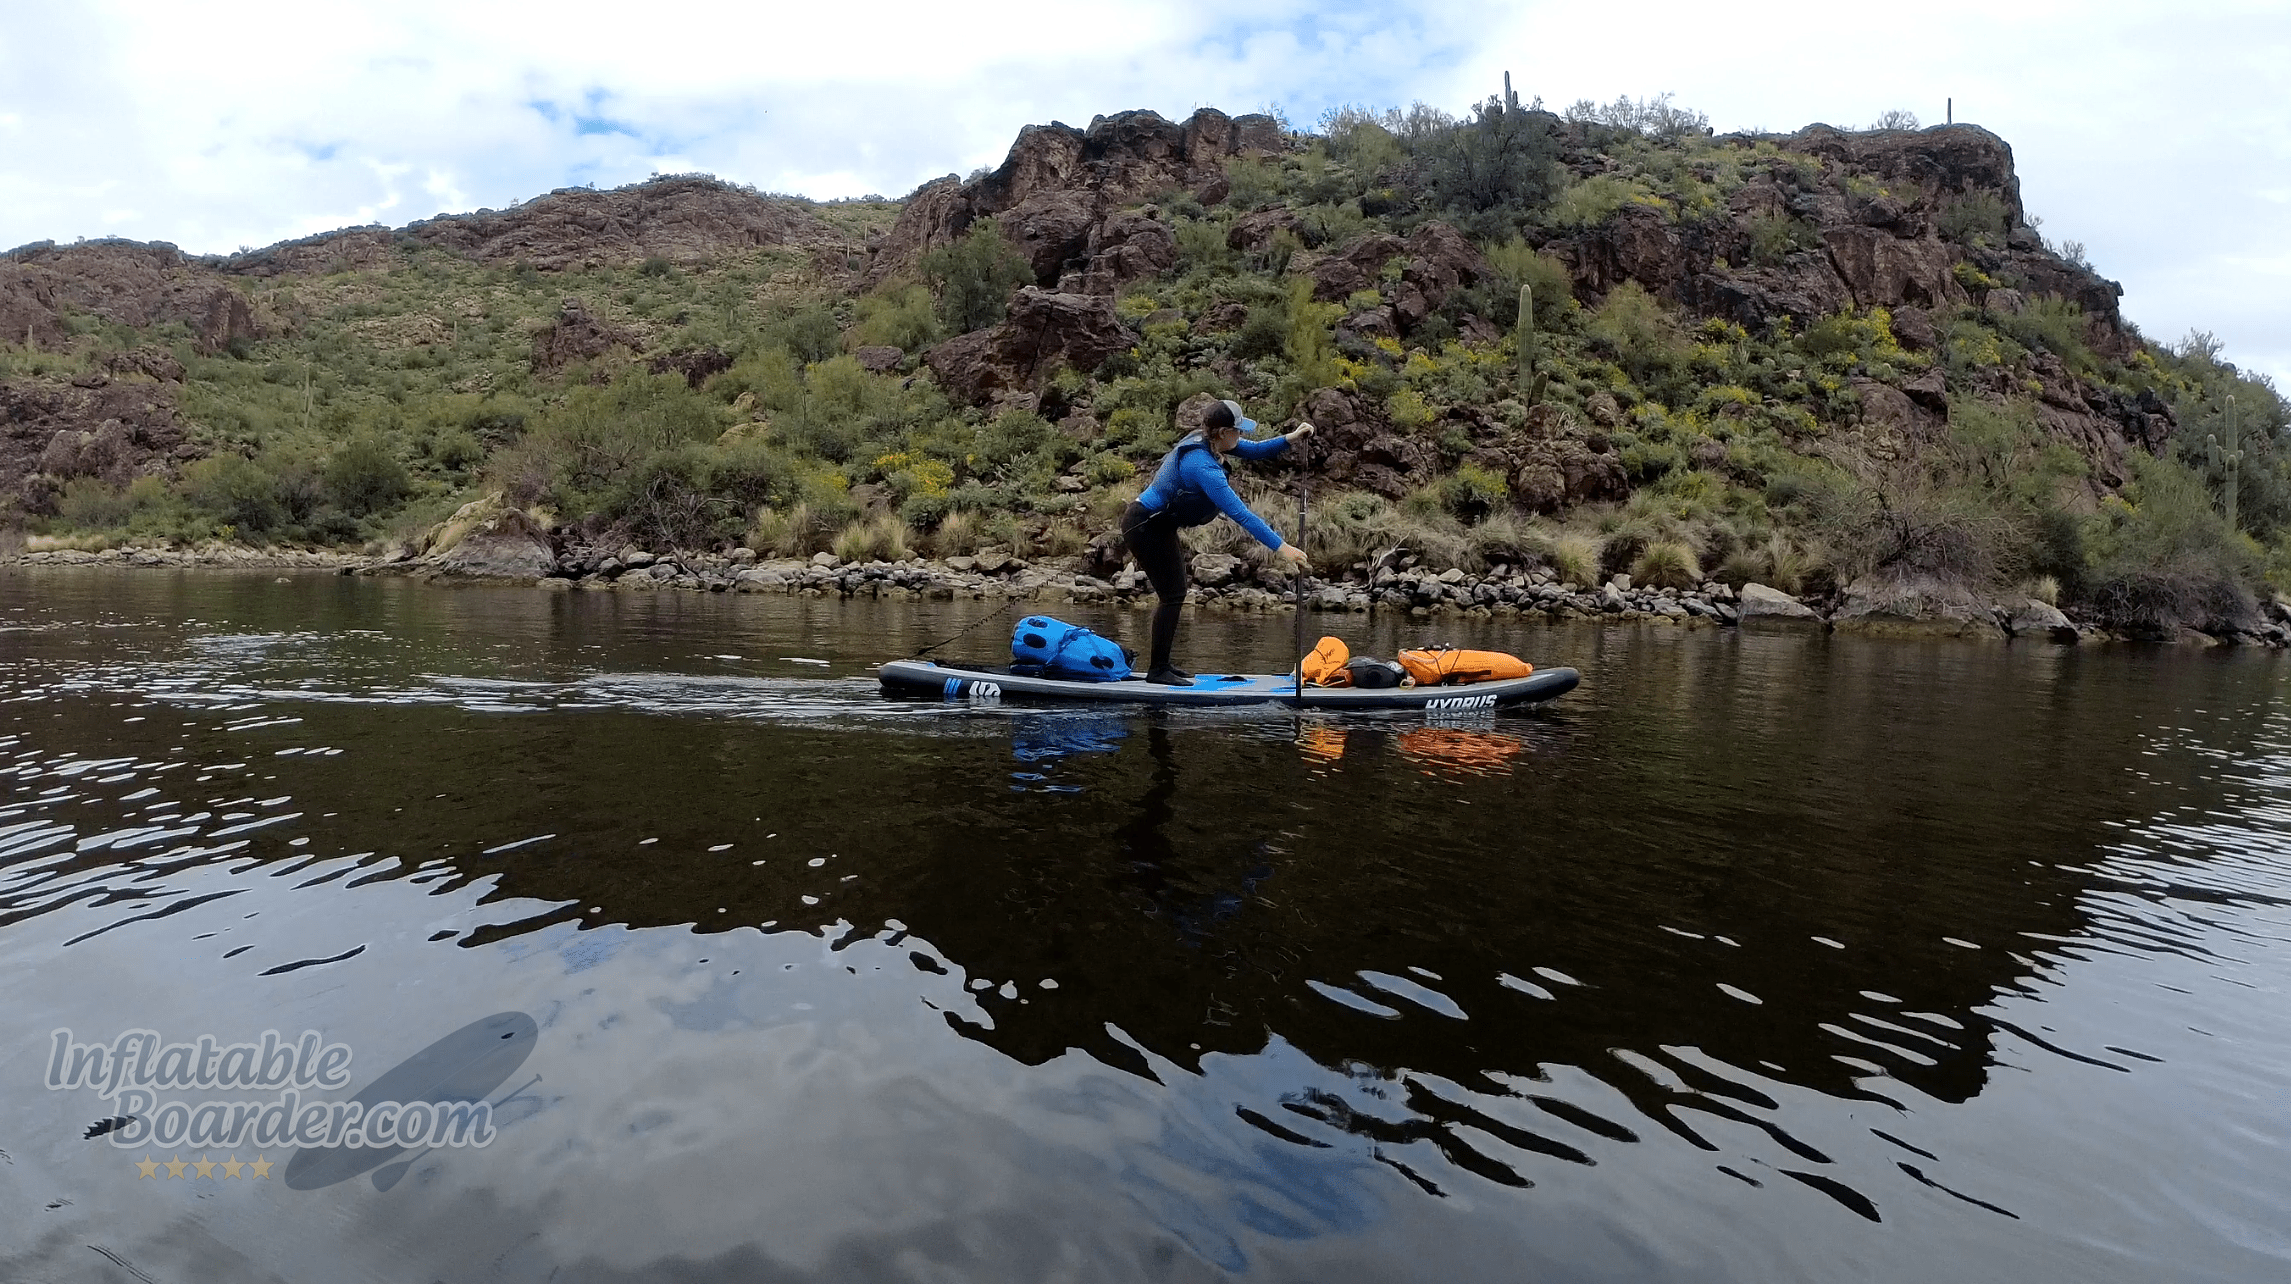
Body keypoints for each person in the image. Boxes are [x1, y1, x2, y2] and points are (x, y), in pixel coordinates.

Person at [1120, 399, 1314, 686]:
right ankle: (1158, 670)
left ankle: (1162, 666)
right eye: (1238, 430)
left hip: (1156, 525)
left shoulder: (1210, 441)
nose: (1242, 436)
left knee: (1175, 593)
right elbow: (1242, 515)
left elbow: (1257, 450)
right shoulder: (1203, 467)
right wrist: (1283, 549)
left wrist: (1292, 438)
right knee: (1172, 595)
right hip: (1143, 525)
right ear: (1223, 432)